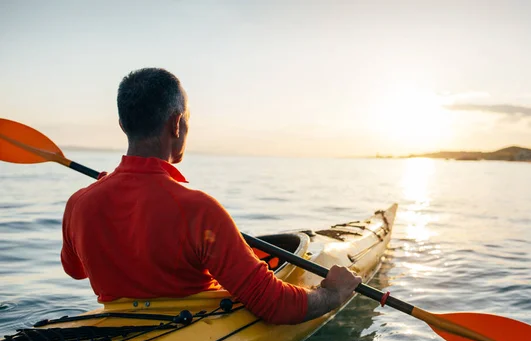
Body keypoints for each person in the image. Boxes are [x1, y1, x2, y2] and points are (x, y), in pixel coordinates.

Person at [60, 68, 362, 325]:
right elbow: (273, 304)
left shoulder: (79, 204)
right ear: (176, 124)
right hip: (193, 330)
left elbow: (75, 270)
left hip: (116, 330)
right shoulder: (198, 209)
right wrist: (331, 293)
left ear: (123, 125)